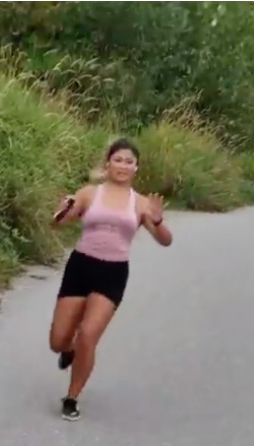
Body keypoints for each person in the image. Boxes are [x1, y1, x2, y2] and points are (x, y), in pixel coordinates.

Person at [48, 137, 173, 421]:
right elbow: (57, 222)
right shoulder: (90, 193)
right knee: (58, 341)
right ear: (108, 163)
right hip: (81, 266)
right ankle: (67, 350)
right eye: (118, 159)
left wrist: (158, 220)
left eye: (129, 161)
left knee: (88, 336)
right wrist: (63, 209)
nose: (123, 165)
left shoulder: (141, 204)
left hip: (113, 273)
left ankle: (72, 397)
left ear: (136, 168)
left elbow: (165, 241)